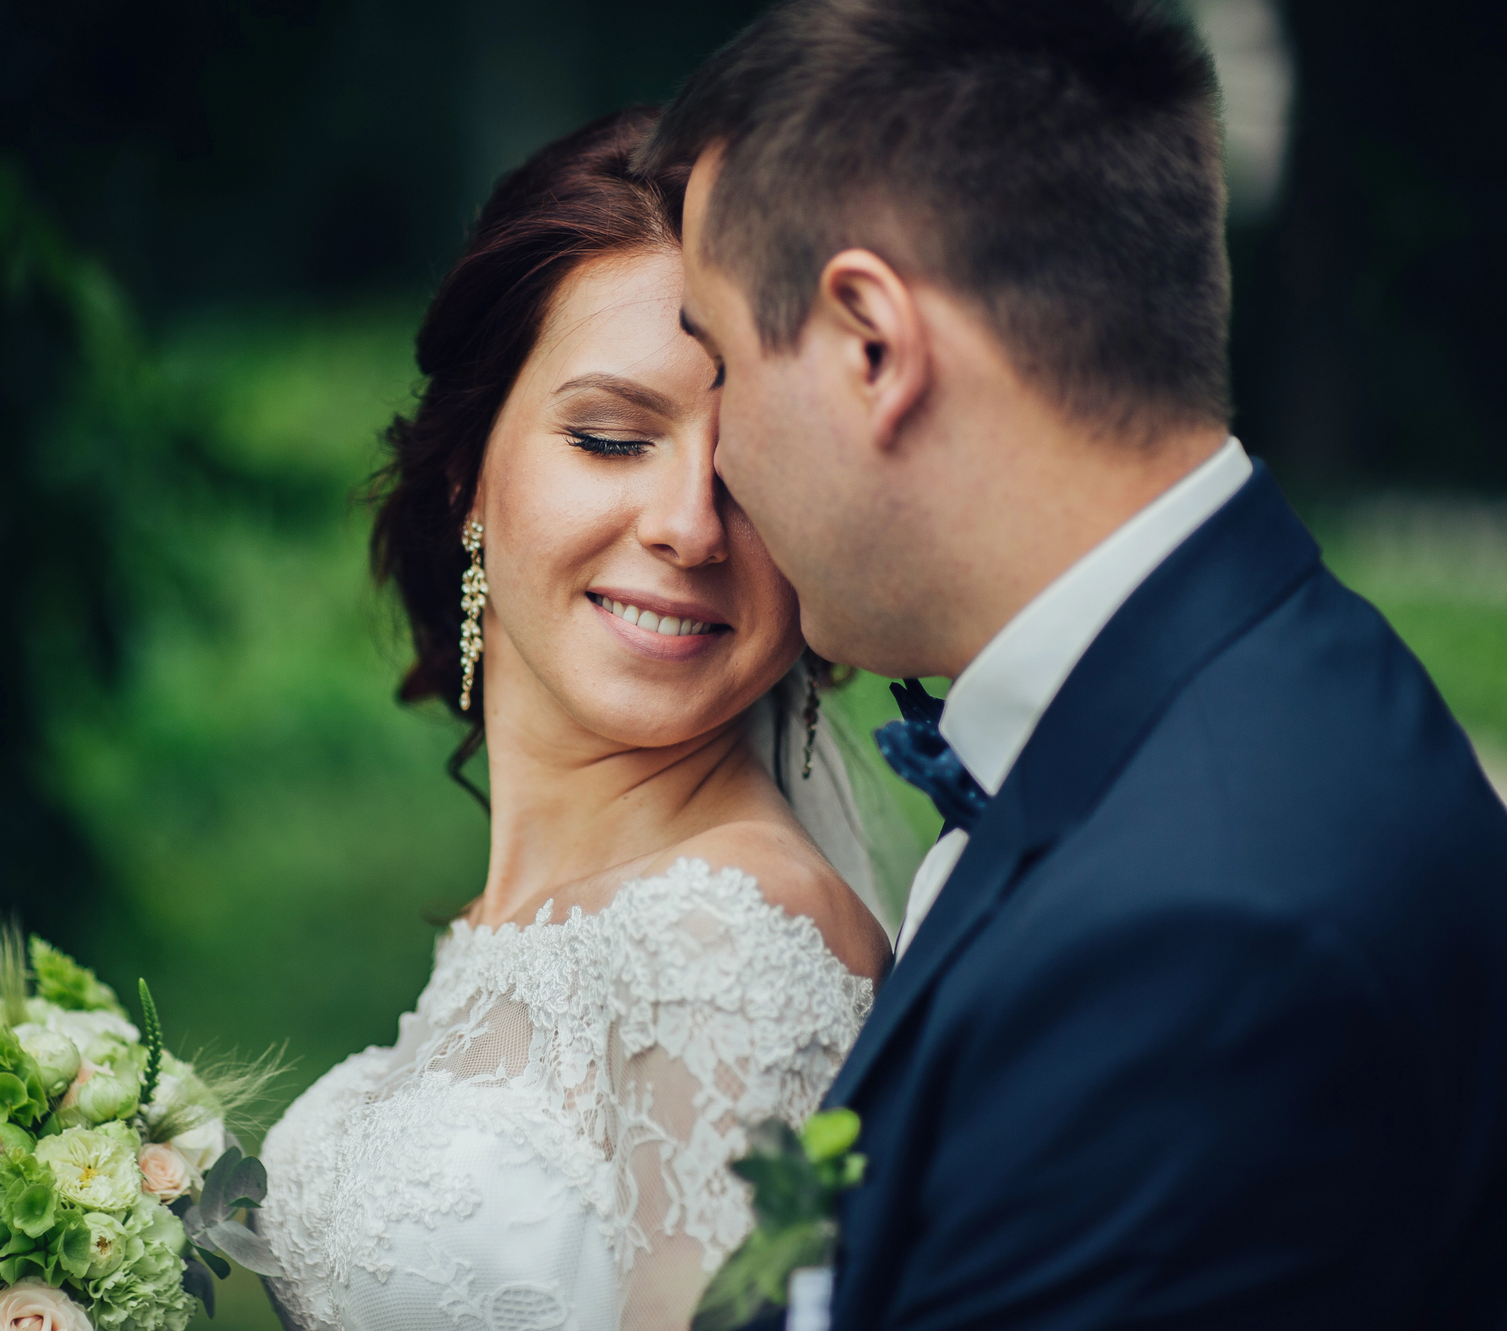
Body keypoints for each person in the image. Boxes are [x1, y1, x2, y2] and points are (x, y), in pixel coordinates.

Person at [636, 0, 1507, 1327]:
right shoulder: (1246, 691)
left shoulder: (1200, 931)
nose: (717, 462)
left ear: (873, 346)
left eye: (718, 361)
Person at [256, 108, 895, 1331]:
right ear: (468, 469)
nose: (689, 525)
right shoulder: (535, 920)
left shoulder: (727, 940)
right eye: (611, 437)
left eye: (756, 469)